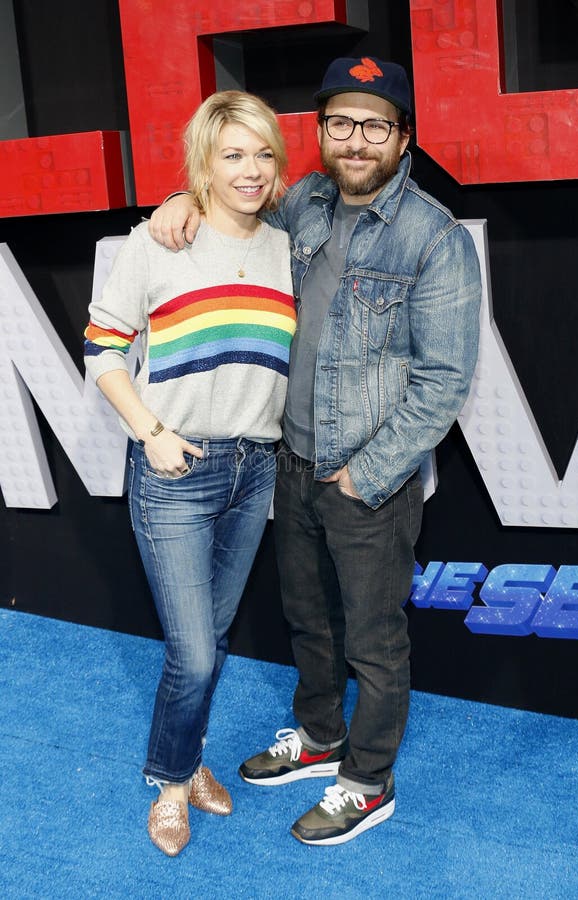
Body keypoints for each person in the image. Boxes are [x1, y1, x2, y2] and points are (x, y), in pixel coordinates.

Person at [149, 56, 481, 846]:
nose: (355, 140)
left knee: (372, 638)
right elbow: (232, 205)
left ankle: (366, 779)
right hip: (289, 463)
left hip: (369, 476)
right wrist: (178, 203)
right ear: (322, 133)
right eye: (340, 123)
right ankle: (320, 736)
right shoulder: (301, 202)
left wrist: (363, 475)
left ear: (403, 139)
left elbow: (443, 381)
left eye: (375, 126)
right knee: (309, 622)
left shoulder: (432, 237)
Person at [84, 91, 295, 856]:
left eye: (262, 153)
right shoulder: (158, 242)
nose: (249, 170)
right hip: (177, 468)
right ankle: (172, 783)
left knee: (214, 635)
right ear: (202, 162)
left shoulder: (288, 242)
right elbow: (103, 348)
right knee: (195, 650)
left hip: (255, 468)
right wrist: (151, 431)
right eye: (230, 154)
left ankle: (190, 754)